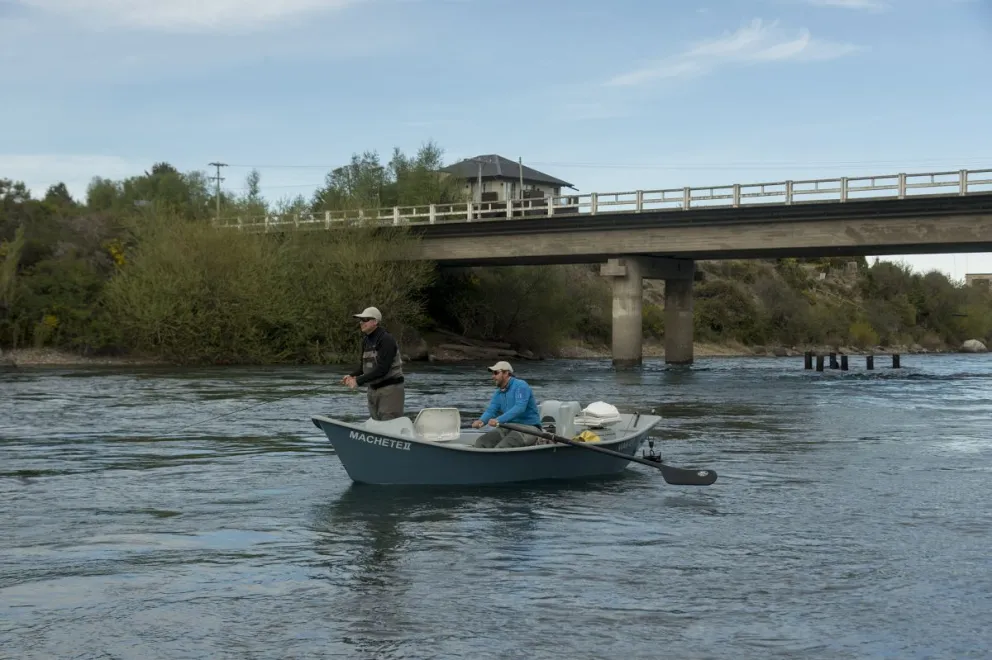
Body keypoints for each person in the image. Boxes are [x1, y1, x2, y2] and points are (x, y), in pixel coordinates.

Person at [341, 306, 405, 421]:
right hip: (372, 390)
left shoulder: (386, 340)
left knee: (389, 424)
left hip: (390, 390)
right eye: (361, 320)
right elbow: (363, 367)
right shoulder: (366, 341)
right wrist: (351, 375)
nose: (361, 323)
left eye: (365, 320)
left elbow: (382, 369)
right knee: (376, 424)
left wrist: (358, 381)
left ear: (375, 322)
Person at [472, 361, 542, 448]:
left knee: (504, 446)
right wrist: (481, 421)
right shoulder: (498, 393)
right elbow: (491, 411)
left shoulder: (521, 386)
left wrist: (498, 420)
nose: (493, 376)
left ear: (506, 373)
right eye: (493, 373)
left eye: (496, 373)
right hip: (509, 427)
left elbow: (520, 407)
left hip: (530, 428)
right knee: (481, 442)